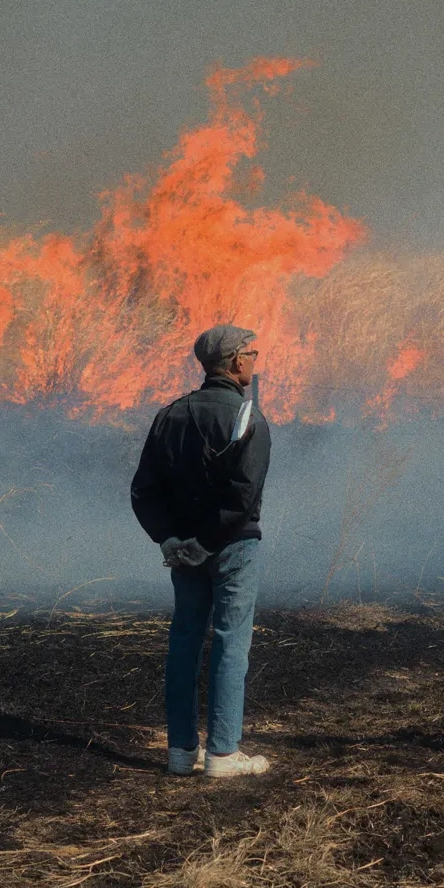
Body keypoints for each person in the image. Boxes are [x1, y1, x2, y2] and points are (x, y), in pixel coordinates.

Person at [130, 323, 272, 778]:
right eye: (252, 353)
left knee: (185, 641)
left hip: (185, 554)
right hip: (232, 549)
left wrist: (171, 540)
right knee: (231, 644)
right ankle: (224, 755)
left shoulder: (169, 416)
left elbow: (144, 490)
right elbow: (244, 496)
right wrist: (206, 542)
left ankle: (180, 752)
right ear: (235, 363)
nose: (255, 360)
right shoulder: (247, 418)